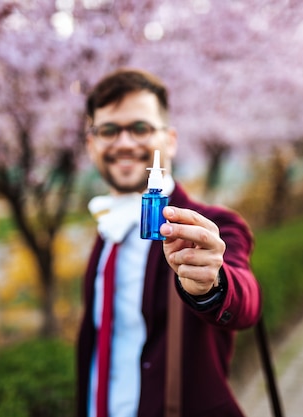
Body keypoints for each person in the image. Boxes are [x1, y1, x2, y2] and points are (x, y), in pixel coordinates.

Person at [77, 68, 261, 417]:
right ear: (92, 144)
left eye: (141, 128)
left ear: (170, 140)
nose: (125, 143)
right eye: (109, 130)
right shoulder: (106, 230)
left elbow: (247, 300)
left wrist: (213, 284)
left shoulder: (214, 226)